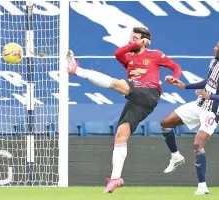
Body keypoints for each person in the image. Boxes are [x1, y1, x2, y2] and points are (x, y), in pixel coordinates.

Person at [66, 27, 182, 193]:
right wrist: (135, 44)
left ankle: (76, 70)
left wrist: (175, 78)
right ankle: (115, 178)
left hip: (149, 92)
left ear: (145, 42)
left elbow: (175, 67)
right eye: (131, 37)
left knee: (118, 83)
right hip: (136, 100)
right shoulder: (128, 58)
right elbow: (118, 53)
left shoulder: (155, 54)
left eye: (135, 38)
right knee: (121, 134)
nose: (131, 41)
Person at [161, 41, 219, 195]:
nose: (214, 47)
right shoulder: (214, 62)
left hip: (212, 111)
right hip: (199, 104)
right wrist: (185, 86)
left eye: (218, 46)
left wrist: (211, 96)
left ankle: (202, 186)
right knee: (165, 123)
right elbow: (209, 82)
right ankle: (175, 156)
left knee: (198, 144)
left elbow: (212, 92)